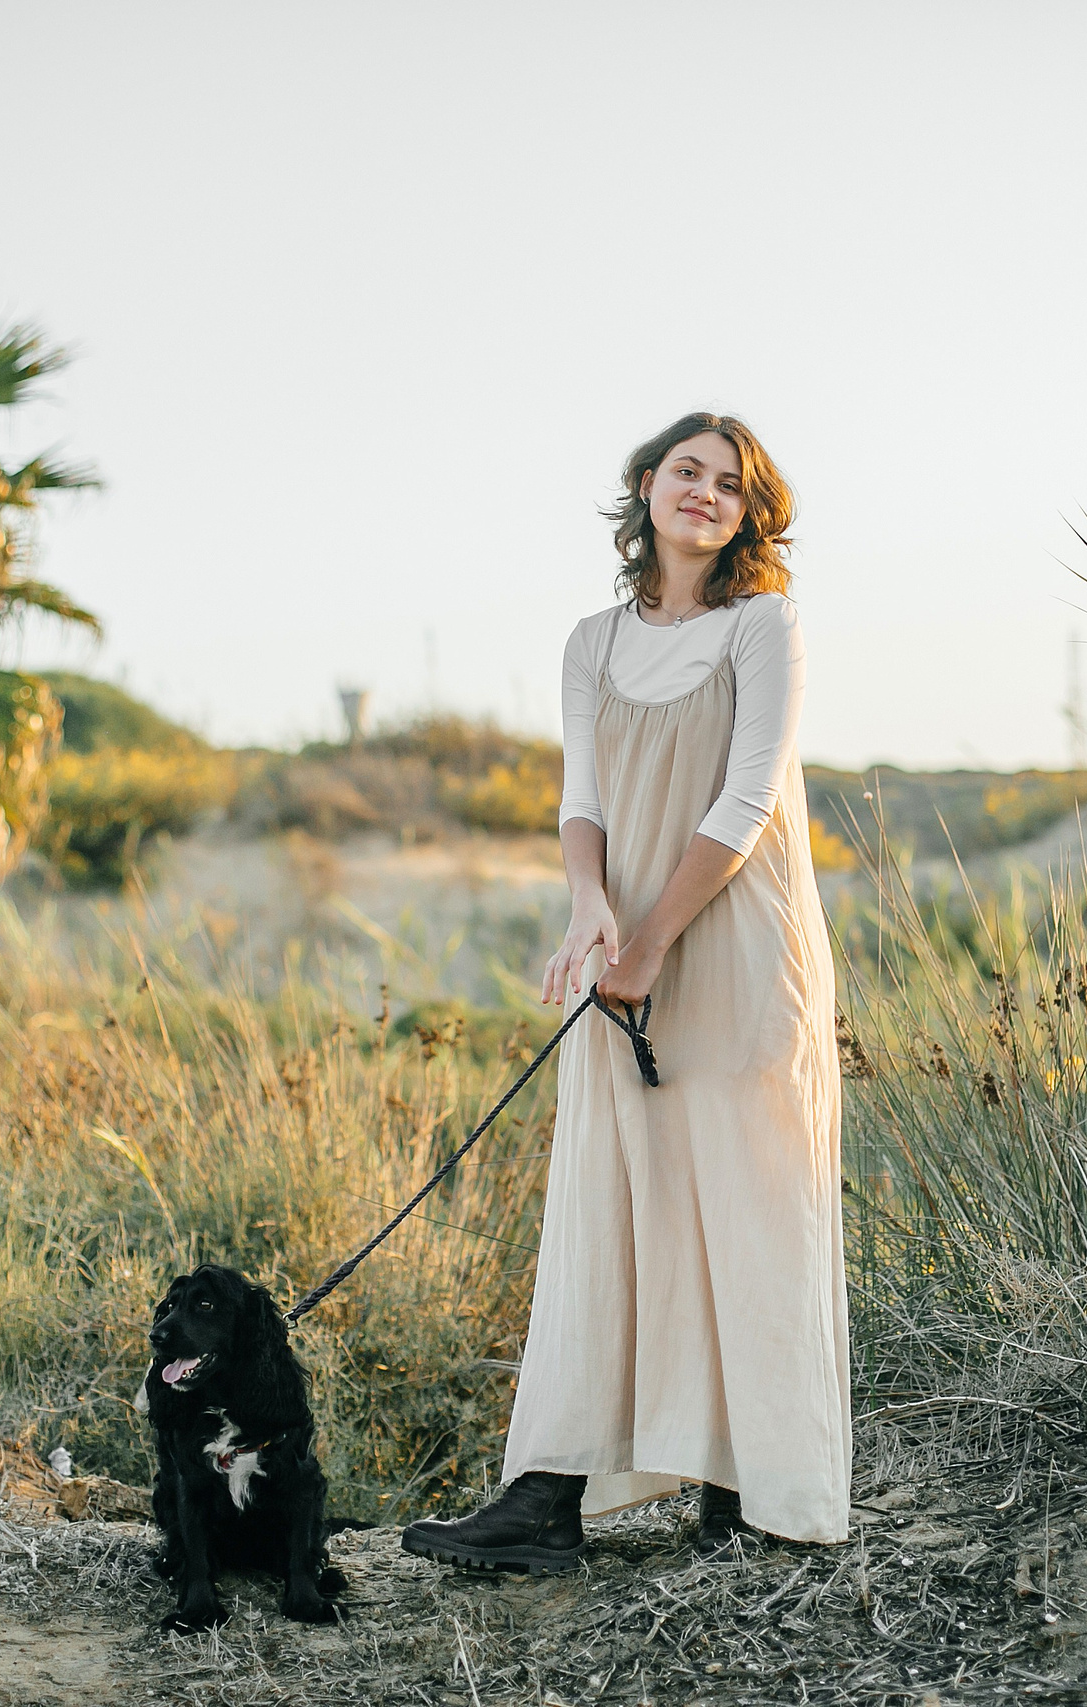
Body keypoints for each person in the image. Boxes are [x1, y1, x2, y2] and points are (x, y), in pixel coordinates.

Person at [401, 412, 849, 1571]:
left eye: (729, 484)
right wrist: (591, 910)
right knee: (608, 1199)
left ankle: (753, 1493)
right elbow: (582, 799)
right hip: (627, 944)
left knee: (747, 1206)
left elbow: (746, 809)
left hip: (737, 945)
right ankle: (545, 1497)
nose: (703, 493)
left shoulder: (764, 626)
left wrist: (650, 941)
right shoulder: (591, 642)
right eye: (685, 471)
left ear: (750, 513)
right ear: (645, 486)